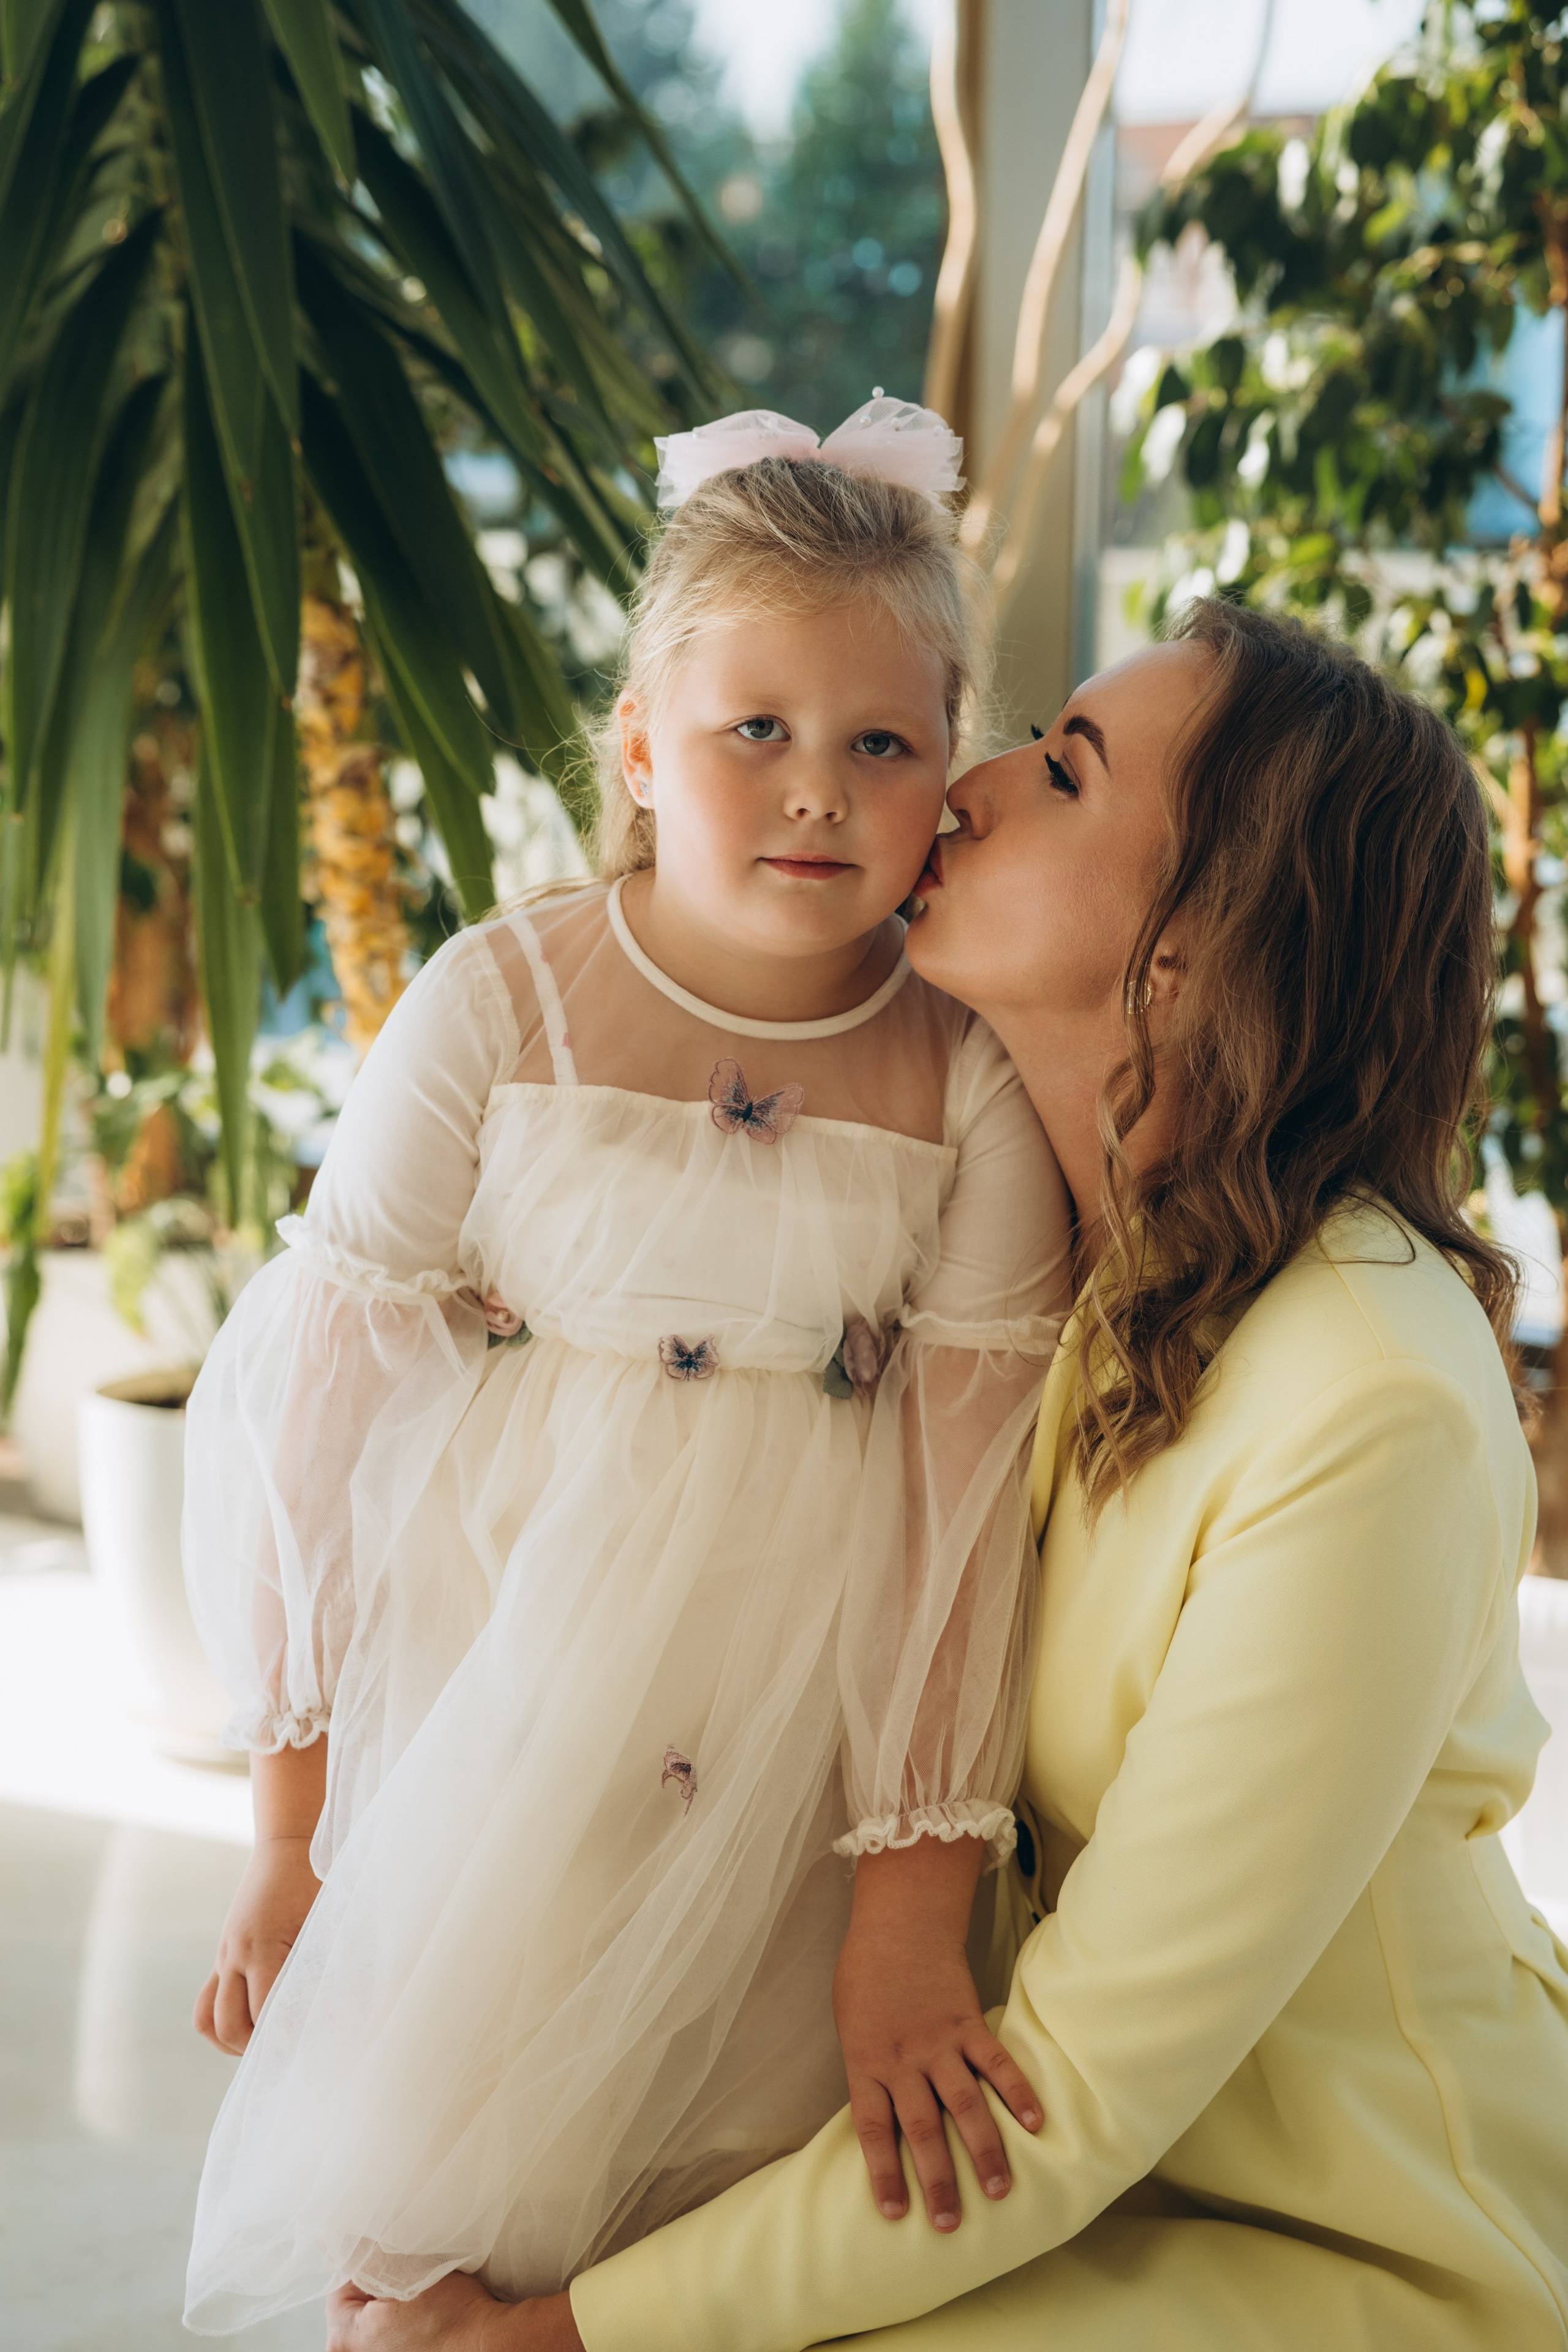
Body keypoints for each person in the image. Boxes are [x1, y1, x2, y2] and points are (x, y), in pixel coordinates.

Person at [338, 599, 1568, 2351]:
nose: (966, 785)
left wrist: (549, 2341)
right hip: (1077, 2198)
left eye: (1065, 773)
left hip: (1362, 2248)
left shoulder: (1373, 1405)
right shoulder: (1057, 1269)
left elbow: (1078, 2083)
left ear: (1199, 944)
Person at [180, 401, 1074, 2333]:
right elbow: (315, 1408)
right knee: (450, 2176)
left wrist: (909, 1918)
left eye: (882, 745)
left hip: (799, 1754)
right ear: (644, 750)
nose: (817, 789)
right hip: (510, 1705)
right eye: (757, 729)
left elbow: (963, 1494)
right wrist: (291, 1825)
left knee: (721, 2190)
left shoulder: (965, 1079)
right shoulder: (500, 1004)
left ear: (951, 777)